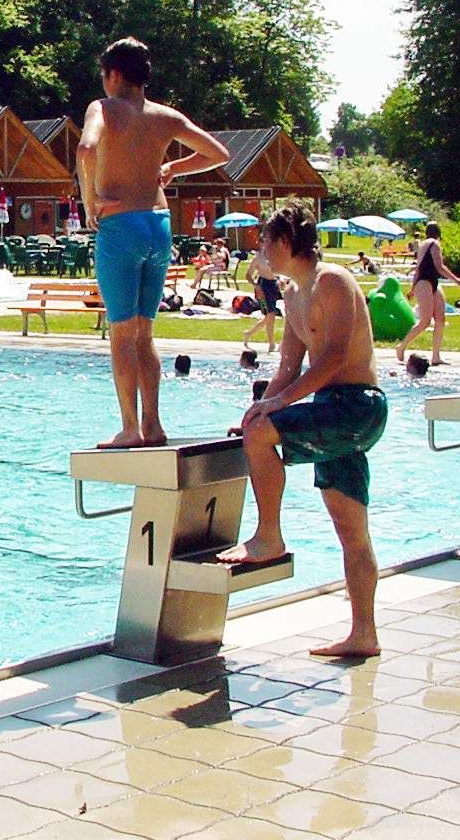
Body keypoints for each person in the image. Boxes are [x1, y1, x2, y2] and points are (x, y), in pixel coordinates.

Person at [218, 204, 386, 659]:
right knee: (351, 529)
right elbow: (289, 366)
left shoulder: (332, 281)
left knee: (262, 437)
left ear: (288, 243)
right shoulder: (291, 295)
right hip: (331, 411)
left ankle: (268, 535)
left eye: (266, 241)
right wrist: (259, 408)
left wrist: (275, 409)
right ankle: (364, 634)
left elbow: (331, 358)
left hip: (358, 406)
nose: (260, 250)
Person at [78, 37, 229, 448]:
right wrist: (175, 167)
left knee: (122, 334)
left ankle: (129, 428)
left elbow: (86, 148)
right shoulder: (166, 117)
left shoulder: (103, 109)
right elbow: (219, 153)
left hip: (121, 224)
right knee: (145, 332)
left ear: (113, 74)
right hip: (159, 225)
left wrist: (90, 201)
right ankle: (154, 425)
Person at [395, 223, 460, 366]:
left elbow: (418, 268)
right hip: (424, 282)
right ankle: (402, 346)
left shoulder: (424, 243)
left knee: (440, 318)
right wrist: (456, 280)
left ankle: (436, 356)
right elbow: (439, 266)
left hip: (429, 281)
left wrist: (412, 288)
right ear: (438, 233)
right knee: (425, 321)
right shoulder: (434, 244)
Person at [241, 249, 283, 355]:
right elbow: (248, 275)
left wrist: (280, 280)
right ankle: (271, 343)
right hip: (263, 286)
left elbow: (279, 271)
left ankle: (249, 334)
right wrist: (256, 286)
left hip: (273, 285)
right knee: (270, 315)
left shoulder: (275, 255)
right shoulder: (258, 258)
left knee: (270, 316)